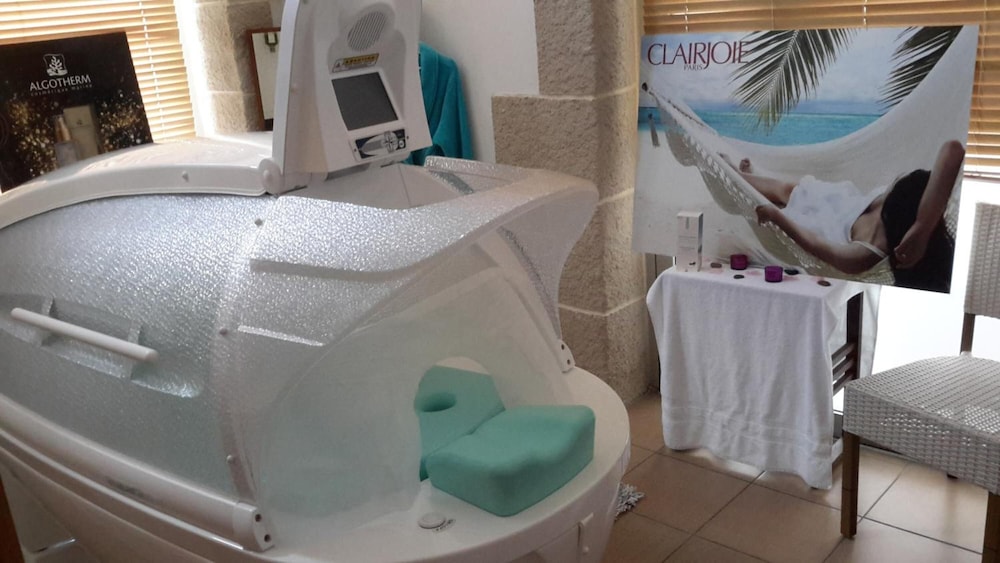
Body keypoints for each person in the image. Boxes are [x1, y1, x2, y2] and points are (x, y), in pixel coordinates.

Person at [723, 140, 965, 292]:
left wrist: (777, 217)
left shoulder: (867, 254)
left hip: (822, 226)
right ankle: (743, 178)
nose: (890, 187)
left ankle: (743, 180)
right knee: (787, 189)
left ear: (895, 207)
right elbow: (953, 149)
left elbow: (817, 246)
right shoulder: (918, 215)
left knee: (784, 195)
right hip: (841, 203)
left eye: (893, 189)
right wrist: (922, 227)